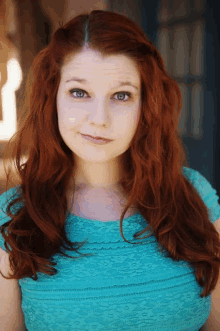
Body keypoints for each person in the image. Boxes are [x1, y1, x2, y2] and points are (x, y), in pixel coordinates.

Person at [0, 9, 220, 331]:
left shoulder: (193, 195)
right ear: (53, 98)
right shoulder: (16, 216)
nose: (99, 118)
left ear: (145, 105)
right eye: (79, 92)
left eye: (121, 95)